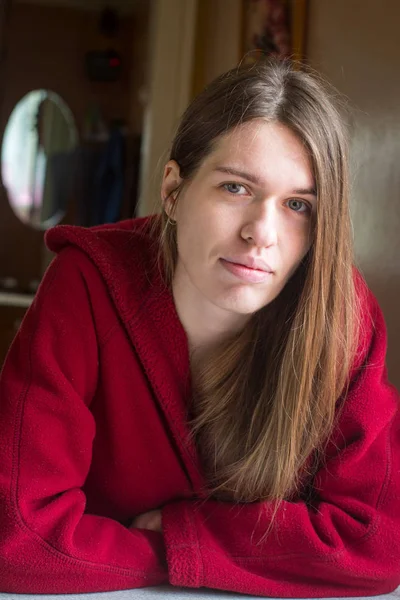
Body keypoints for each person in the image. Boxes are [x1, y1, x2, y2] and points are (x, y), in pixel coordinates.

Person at [0, 59, 399, 596]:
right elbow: (17, 536)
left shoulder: (343, 317)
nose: (262, 232)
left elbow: (377, 543)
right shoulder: (87, 284)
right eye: (236, 188)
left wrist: (180, 538)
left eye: (298, 205)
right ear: (173, 189)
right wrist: (185, 554)